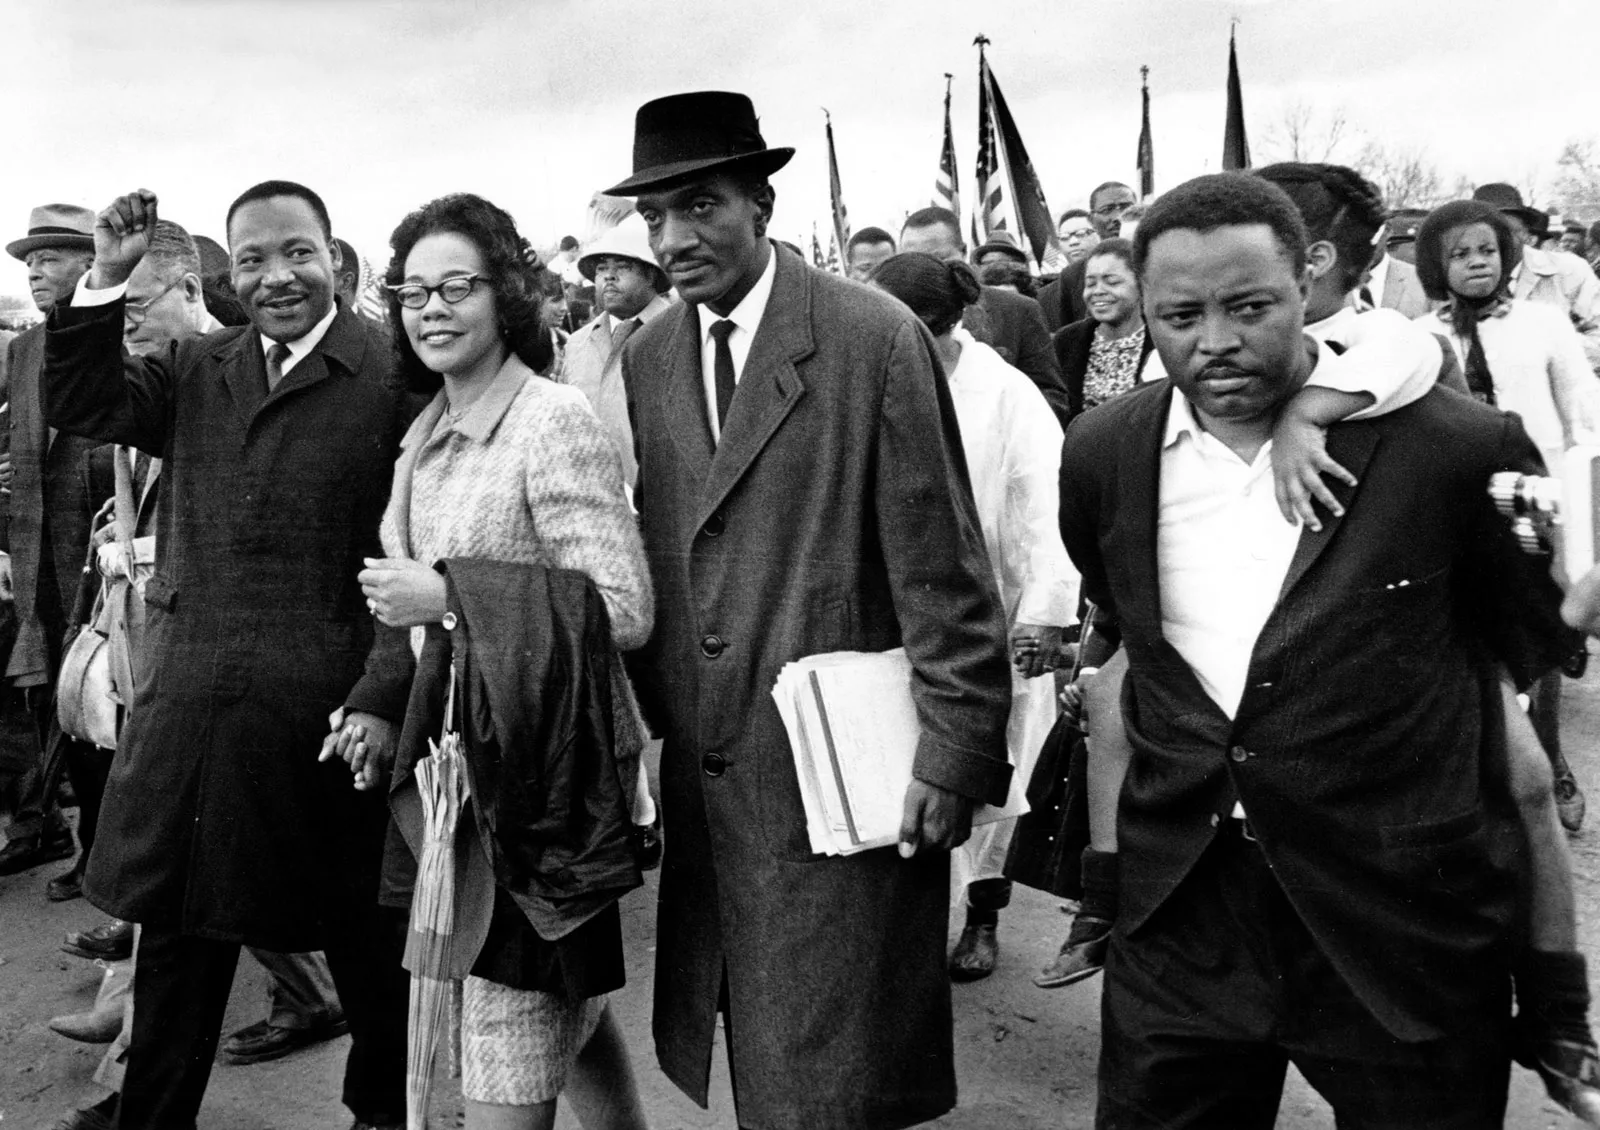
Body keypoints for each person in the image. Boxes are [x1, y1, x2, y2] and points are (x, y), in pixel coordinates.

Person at [1060, 172, 1579, 1128]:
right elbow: (1130, 628)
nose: (1215, 341)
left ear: (1310, 281)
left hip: (1400, 925)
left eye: (1249, 306)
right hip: (1184, 924)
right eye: (1180, 314)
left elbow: (1523, 645)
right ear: (1143, 308)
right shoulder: (1102, 453)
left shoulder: (1455, 447)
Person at [609, 91, 1012, 1130]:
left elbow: (944, 563)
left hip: (840, 770)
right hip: (712, 764)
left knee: (828, 1071)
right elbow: (668, 548)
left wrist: (955, 752)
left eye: (699, 205)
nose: (672, 238)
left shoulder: (868, 334)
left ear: (761, 201)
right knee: (766, 1039)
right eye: (654, 217)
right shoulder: (653, 356)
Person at [42, 181, 411, 1130]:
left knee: (370, 948)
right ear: (232, 275)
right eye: (251, 259)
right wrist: (102, 282)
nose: (276, 276)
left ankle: (382, 1115)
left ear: (338, 259)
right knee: (175, 939)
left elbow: (416, 554)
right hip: (198, 707)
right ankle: (150, 1115)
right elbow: (85, 398)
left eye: (297, 253)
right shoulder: (202, 364)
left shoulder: (394, 375)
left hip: (331, 718)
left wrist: (380, 690)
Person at [323, 191, 653, 1130]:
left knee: (508, 1034)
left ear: (506, 293)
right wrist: (382, 702)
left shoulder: (551, 421)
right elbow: (411, 617)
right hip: (456, 785)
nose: (431, 308)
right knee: (555, 1010)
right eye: (413, 290)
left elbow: (623, 608)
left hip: (537, 793)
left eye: (455, 286)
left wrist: (452, 596)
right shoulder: (423, 431)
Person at [869, 252, 1077, 983]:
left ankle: (982, 918)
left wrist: (1045, 616)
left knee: (997, 763)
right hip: (902, 613)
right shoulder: (875, 378)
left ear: (946, 322)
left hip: (994, 611)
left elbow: (1045, 509)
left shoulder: (1004, 393)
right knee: (906, 768)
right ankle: (910, 921)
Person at [1414, 199, 1599, 835]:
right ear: (1437, 265)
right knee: (1467, 641)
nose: (1476, 264)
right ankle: (1477, 773)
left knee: (1541, 637)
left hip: (1538, 507)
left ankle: (1551, 758)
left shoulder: (1543, 325)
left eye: (1487, 251)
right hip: (1458, 510)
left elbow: (1583, 421)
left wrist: (1574, 511)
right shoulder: (1415, 334)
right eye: (1460, 254)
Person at [0, 204, 99, 882]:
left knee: (103, 710)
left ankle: (103, 854)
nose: (35, 267)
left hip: (102, 562)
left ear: (90, 262)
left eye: (53, 254)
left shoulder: (117, 330)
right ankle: (77, 844)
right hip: (40, 561)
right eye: (30, 258)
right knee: (56, 705)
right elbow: (13, 440)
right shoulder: (24, 348)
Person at [899, 206, 1069, 420]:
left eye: (938, 259)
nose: (927, 272)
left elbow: (1052, 398)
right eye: (914, 261)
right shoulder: (892, 318)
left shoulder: (1017, 310)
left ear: (962, 252)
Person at [559, 212, 672, 493]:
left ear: (651, 275)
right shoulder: (576, 344)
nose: (608, 276)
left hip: (665, 505)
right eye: (600, 268)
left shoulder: (682, 332)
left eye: (622, 266)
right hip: (590, 501)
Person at [1473, 183, 1600, 371]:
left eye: (1506, 231)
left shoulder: (1569, 272)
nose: (1495, 241)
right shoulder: (1453, 279)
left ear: (1526, 233)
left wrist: (1543, 344)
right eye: (1481, 233)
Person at [1052, 239, 1155, 423]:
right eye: (1090, 283)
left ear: (1141, 284)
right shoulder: (1066, 341)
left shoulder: (1161, 338)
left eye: (1112, 282)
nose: (1098, 291)